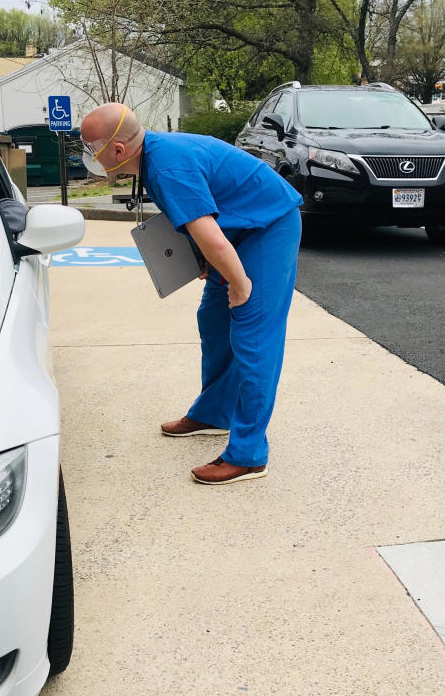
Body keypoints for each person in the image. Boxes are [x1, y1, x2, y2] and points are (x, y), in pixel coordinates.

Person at [79, 102, 302, 485]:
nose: (87, 156)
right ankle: (215, 413)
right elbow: (207, 216)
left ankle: (248, 455)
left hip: (269, 225)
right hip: (237, 229)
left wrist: (240, 284)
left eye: (90, 148)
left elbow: (212, 238)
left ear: (117, 150)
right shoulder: (152, 158)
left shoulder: (167, 167)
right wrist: (207, 261)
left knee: (252, 333)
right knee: (213, 320)